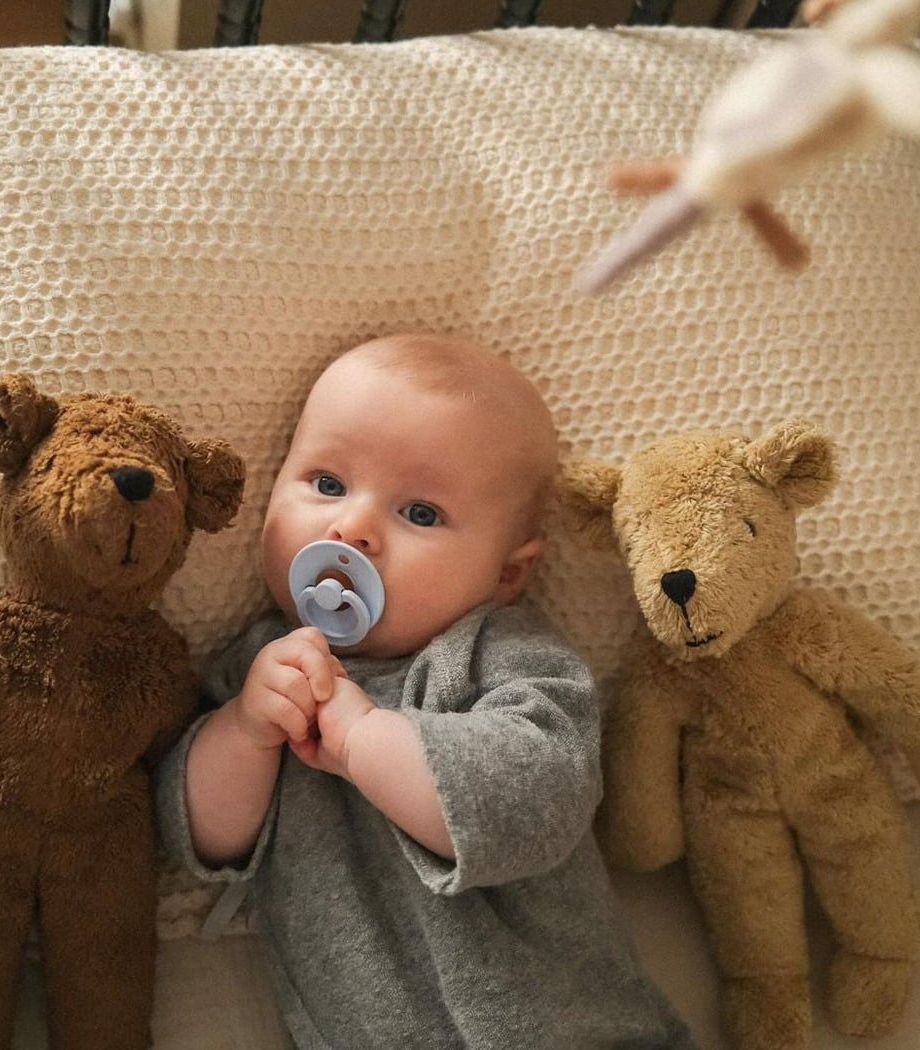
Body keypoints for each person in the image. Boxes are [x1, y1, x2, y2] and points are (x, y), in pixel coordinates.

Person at [154, 332, 697, 1049]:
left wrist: (362, 739)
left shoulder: (507, 660)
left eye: (420, 513)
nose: (353, 528)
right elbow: (200, 841)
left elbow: (537, 805)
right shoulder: (264, 672)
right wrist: (243, 732)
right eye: (327, 484)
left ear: (506, 574)